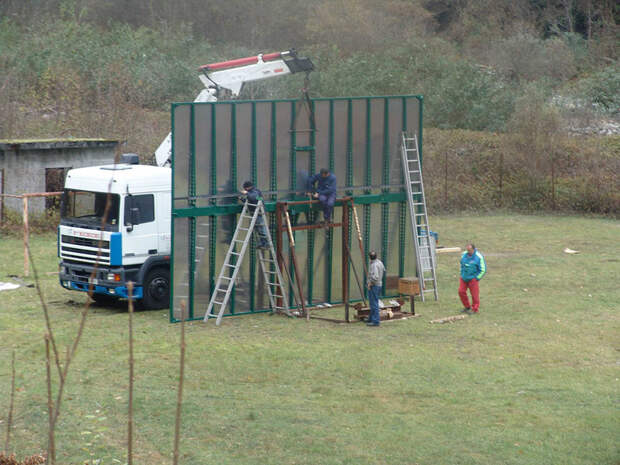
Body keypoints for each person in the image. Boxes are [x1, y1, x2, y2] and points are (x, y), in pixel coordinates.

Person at [459, 243, 486, 314]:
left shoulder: (479, 257)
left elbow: (483, 269)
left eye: (470, 250)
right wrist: (462, 274)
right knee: (461, 291)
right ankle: (467, 307)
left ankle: (475, 309)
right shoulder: (463, 255)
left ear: (474, 249)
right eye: (467, 250)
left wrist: (477, 278)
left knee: (474, 295)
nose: (468, 252)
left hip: (473, 279)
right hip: (464, 277)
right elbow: (461, 264)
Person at [240, 181, 269, 249]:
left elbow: (254, 197)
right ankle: (262, 242)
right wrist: (241, 199)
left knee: (261, 229)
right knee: (258, 229)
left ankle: (266, 243)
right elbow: (251, 201)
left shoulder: (255, 191)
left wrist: (247, 193)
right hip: (255, 213)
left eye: (245, 188)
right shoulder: (252, 192)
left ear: (248, 187)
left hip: (259, 213)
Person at [366, 251, 385, 327]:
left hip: (374, 286)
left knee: (374, 303)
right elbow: (383, 270)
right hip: (379, 285)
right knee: (373, 302)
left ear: (370, 257)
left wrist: (370, 283)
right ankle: (370, 318)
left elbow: (375, 277)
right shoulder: (380, 262)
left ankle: (376, 321)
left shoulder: (374, 265)